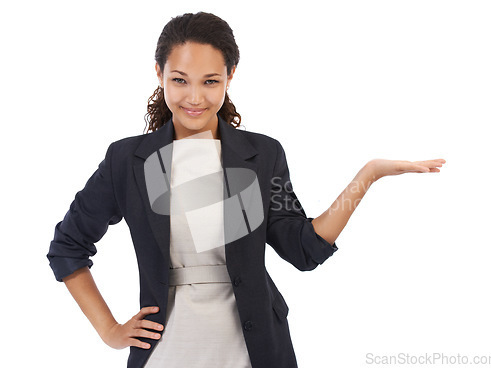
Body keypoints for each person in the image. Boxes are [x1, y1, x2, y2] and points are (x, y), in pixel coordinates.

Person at [46, 11, 446, 368]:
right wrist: (109, 330)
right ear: (159, 74)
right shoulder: (128, 161)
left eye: (211, 81)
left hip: (254, 351)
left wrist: (369, 175)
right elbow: (67, 247)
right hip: (167, 350)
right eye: (180, 80)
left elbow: (303, 249)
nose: (195, 97)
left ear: (230, 77)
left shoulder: (261, 155)